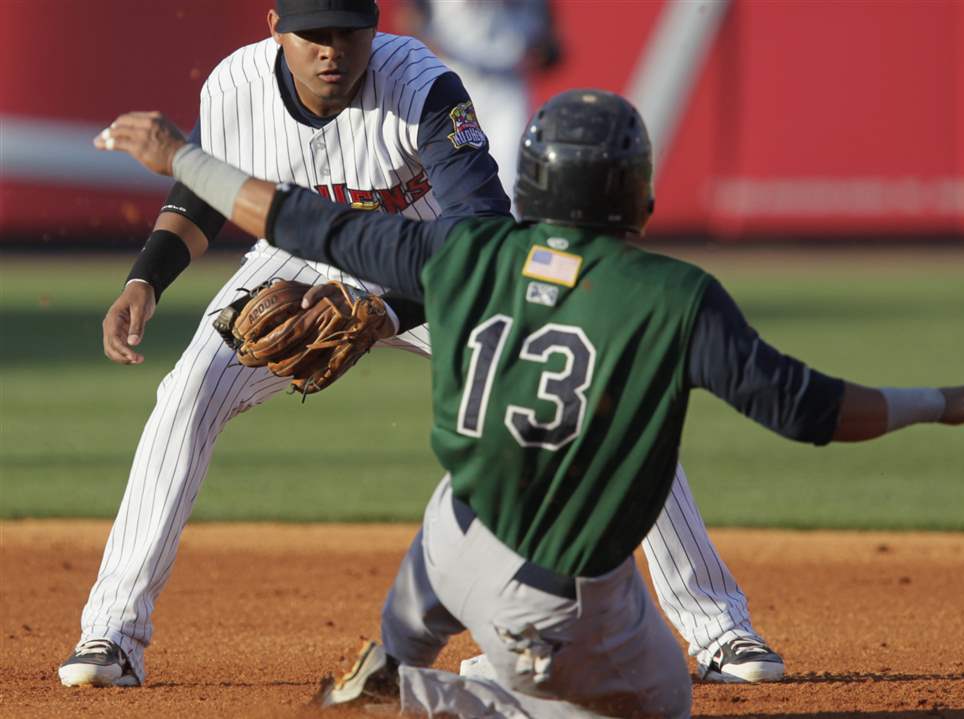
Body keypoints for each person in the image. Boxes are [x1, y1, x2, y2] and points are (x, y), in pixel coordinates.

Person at [97, 89, 964, 717]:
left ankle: (398, 645)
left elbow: (300, 221)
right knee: (661, 700)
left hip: (445, 546)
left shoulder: (459, 257)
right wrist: (945, 400)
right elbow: (809, 408)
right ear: (640, 192)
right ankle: (459, 694)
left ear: (535, 183)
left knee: (462, 513)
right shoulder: (667, 295)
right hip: (547, 606)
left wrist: (177, 153)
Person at [61, 0, 784, 690]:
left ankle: (719, 627)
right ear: (275, 26)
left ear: (373, 27)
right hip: (296, 261)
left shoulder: (424, 87)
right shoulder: (234, 86)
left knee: (599, 394)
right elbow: (198, 199)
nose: (331, 50)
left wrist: (383, 309)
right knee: (188, 391)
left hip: (431, 264)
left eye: (347, 31)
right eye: (313, 31)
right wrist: (145, 281)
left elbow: (482, 236)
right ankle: (112, 634)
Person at [398, 0, 562, 203]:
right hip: (450, 78)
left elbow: (550, 43)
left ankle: (504, 231)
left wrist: (541, 52)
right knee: (444, 174)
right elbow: (409, 19)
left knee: (510, 175)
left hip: (506, 87)